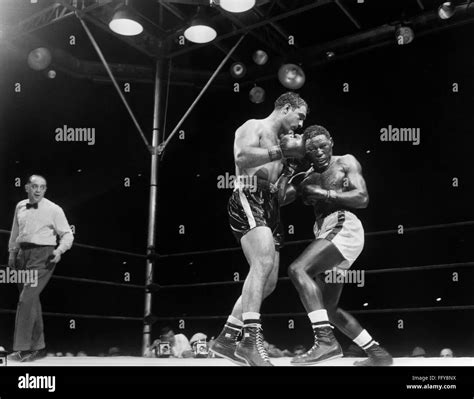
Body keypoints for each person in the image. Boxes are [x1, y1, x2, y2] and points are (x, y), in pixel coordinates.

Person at [209, 92, 308, 366]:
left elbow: (282, 194)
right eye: (299, 116)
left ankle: (227, 339)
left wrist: (297, 177)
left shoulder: (283, 143)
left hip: (271, 205)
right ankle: (251, 341)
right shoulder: (254, 126)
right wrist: (282, 152)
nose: (300, 124)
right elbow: (242, 158)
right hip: (249, 194)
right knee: (261, 263)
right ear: (286, 107)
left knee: (270, 280)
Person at [281, 125, 393, 366]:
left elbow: (362, 198)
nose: (319, 151)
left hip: (344, 225)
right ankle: (378, 354)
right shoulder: (306, 174)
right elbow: (280, 198)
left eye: (323, 145)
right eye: (312, 149)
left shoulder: (345, 162)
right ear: (306, 151)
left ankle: (325, 342)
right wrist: (290, 165)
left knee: (298, 270)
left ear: (331, 141)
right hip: (327, 233)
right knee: (329, 309)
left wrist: (324, 193)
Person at [7, 174, 74, 362]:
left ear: (45, 190)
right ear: (27, 187)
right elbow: (15, 233)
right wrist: (12, 254)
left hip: (43, 256)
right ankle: (38, 347)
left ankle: (22, 349)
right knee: (31, 300)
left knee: (25, 299)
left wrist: (59, 251)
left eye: (42, 187)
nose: (38, 190)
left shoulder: (54, 209)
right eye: (34, 186)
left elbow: (68, 234)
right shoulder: (20, 206)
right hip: (22, 255)